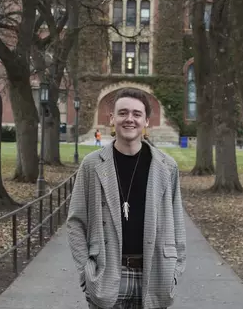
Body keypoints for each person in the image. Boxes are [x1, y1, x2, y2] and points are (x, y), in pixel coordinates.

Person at [67, 87, 186, 309]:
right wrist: (86, 273)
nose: (129, 119)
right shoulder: (92, 165)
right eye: (122, 113)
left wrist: (175, 272)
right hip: (107, 275)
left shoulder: (166, 167)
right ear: (112, 118)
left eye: (136, 114)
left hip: (154, 276)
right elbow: (75, 222)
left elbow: (178, 224)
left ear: (146, 121)